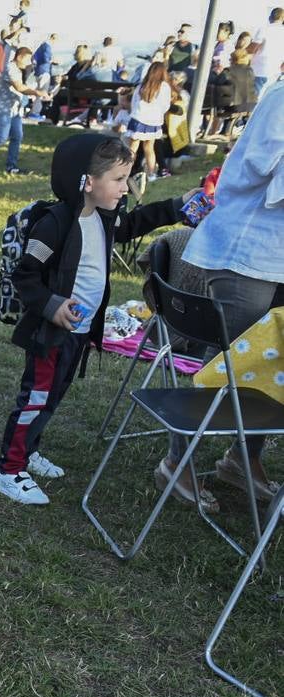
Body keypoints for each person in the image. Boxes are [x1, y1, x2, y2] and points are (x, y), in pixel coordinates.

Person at [0, 134, 188, 505]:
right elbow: (26, 276)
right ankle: (8, 469)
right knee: (35, 397)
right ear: (87, 181)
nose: (125, 187)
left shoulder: (103, 217)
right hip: (51, 332)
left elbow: (134, 223)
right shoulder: (54, 224)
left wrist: (178, 206)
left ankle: (29, 451)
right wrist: (52, 306)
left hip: (79, 333)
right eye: (117, 179)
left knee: (53, 396)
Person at [160, 85, 284, 508]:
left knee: (272, 365)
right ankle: (177, 463)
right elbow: (252, 167)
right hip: (245, 253)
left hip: (277, 258)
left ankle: (243, 458)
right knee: (226, 367)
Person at [0, 45, 48, 176]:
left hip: (14, 110)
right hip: (3, 109)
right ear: (19, 57)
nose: (29, 63)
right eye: (27, 59)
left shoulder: (19, 70)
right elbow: (19, 87)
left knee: (17, 137)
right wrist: (38, 93)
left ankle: (11, 166)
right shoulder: (10, 68)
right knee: (1, 138)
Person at [129, 61, 173, 179]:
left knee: (132, 148)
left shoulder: (141, 85)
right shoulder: (164, 87)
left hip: (138, 117)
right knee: (149, 148)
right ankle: (151, 174)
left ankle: (126, 171)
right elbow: (165, 106)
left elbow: (134, 103)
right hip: (153, 120)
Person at [248, 7, 283, 95]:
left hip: (259, 70)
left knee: (255, 100)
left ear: (270, 17)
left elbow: (252, 49)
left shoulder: (264, 29)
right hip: (275, 72)